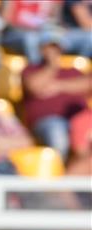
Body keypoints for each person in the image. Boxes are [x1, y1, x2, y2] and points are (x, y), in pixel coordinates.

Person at [22, 31, 92, 160]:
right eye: (49, 47)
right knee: (57, 133)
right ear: (41, 49)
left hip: (78, 119)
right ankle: (63, 175)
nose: (53, 51)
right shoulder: (30, 69)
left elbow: (88, 84)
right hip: (50, 121)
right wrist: (52, 66)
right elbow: (34, 86)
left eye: (56, 47)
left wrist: (58, 86)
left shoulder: (73, 71)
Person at [0, 0, 64, 65]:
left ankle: (54, 69)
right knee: (32, 38)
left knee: (54, 37)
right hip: (15, 32)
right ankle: (35, 70)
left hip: (43, 31)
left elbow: (55, 19)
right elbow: (5, 21)